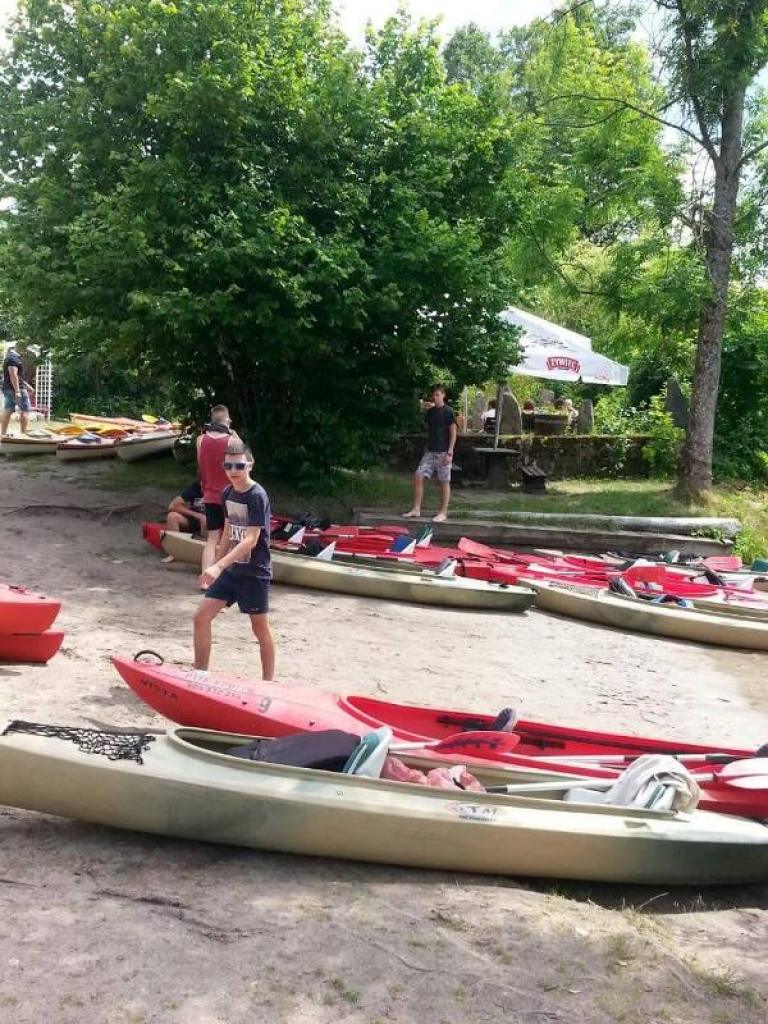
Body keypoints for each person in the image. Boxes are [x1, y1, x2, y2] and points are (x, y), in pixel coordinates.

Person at [193, 443, 276, 680]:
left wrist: (218, 565)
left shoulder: (257, 496)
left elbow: (251, 539)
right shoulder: (227, 492)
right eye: (228, 466)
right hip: (231, 572)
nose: (233, 470)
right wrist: (216, 566)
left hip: (254, 573)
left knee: (259, 628)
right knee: (201, 617)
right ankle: (200, 674)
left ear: (250, 465)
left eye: (239, 465)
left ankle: (268, 683)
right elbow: (229, 531)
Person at [403, 384, 457, 523]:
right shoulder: (430, 412)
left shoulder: (448, 411)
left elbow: (453, 432)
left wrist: (450, 451)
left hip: (443, 451)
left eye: (438, 395)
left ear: (443, 395)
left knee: (444, 481)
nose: (435, 397)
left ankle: (443, 512)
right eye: (434, 395)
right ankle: (416, 508)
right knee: (418, 475)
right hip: (430, 450)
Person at [196, 404, 239, 572]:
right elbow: (249, 461)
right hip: (231, 497)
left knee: (212, 538)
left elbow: (201, 469)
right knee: (233, 538)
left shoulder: (200, 440)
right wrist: (236, 436)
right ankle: (226, 575)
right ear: (227, 420)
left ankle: (206, 578)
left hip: (210, 495)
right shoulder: (232, 441)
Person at [1, 344, 31, 437]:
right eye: (25, 349)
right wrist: (17, 391)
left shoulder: (9, 357)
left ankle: (3, 433)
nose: (26, 352)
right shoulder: (13, 358)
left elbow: (17, 376)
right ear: (21, 348)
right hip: (16, 389)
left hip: (8, 388)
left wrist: (28, 386)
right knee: (25, 410)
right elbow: (13, 374)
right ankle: (23, 434)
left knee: (8, 409)